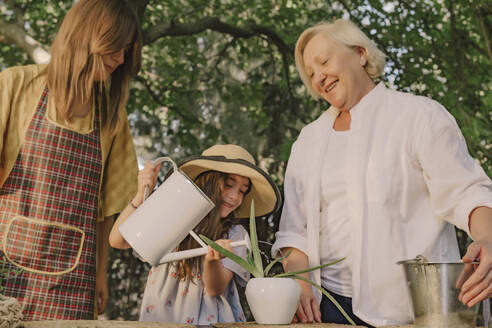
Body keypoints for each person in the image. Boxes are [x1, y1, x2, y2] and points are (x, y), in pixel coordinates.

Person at [271, 19, 492, 327]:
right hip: (326, 309)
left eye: (324, 61)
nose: (319, 76)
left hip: (411, 311)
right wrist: (300, 282)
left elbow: (466, 192)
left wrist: (488, 236)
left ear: (360, 54)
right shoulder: (308, 141)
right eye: (310, 74)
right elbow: (295, 228)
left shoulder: (419, 116)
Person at [0, 0, 142, 320]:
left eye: (126, 51)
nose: (120, 59)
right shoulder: (16, 84)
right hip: (5, 271)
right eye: (115, 47)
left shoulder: (111, 117)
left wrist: (101, 272)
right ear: (86, 36)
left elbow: (106, 208)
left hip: (75, 280)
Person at [109, 144, 281, 325]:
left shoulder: (235, 235)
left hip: (212, 322)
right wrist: (141, 193)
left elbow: (216, 289)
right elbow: (118, 240)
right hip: (162, 320)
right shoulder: (174, 218)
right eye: (229, 185)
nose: (234, 196)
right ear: (207, 182)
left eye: (242, 191)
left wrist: (212, 262)